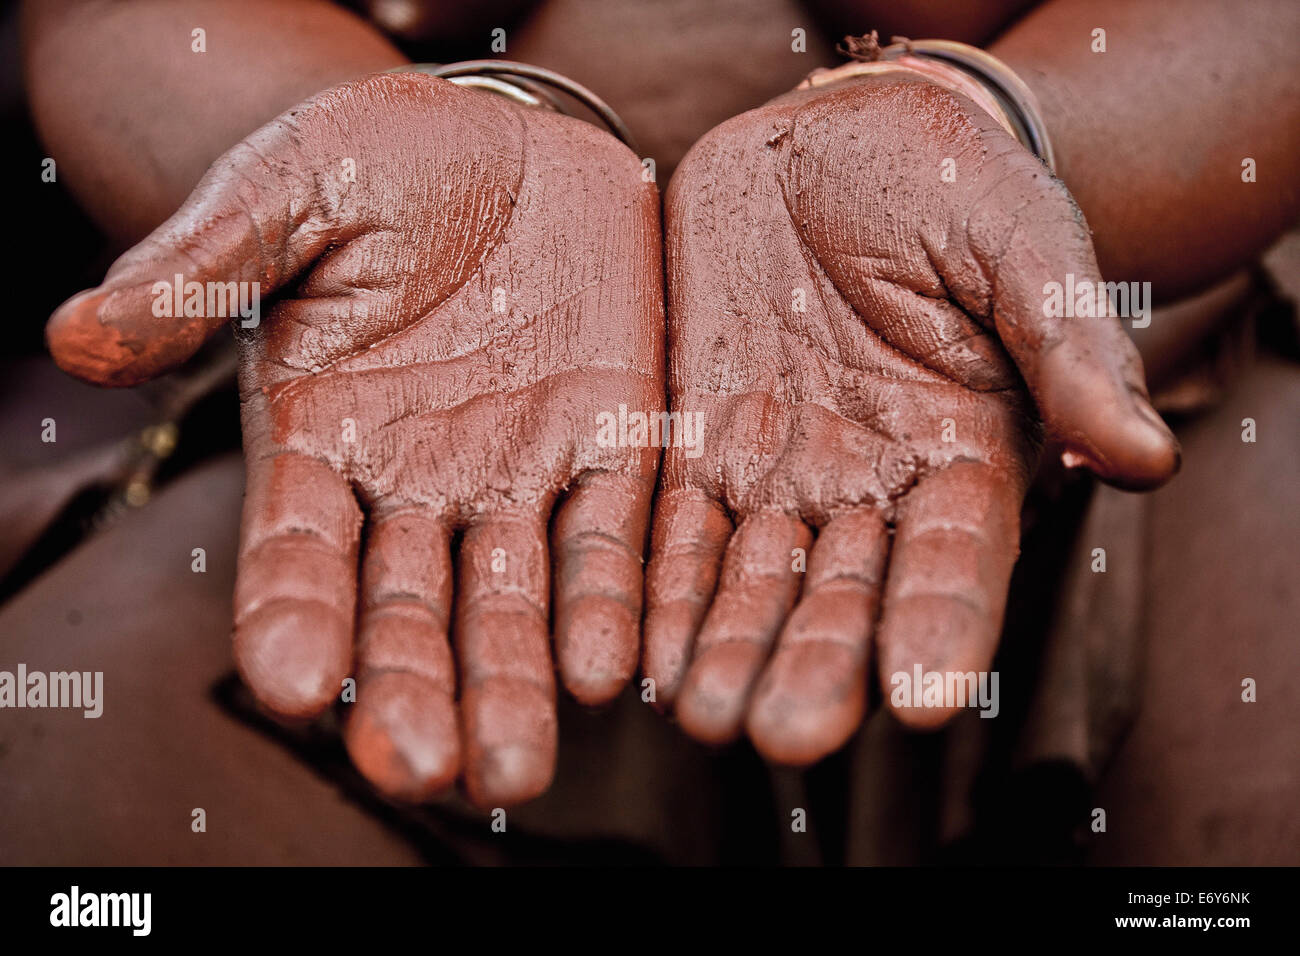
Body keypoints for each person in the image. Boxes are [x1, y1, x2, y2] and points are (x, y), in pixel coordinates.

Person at [1, 0, 1295, 864]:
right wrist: (404, 135)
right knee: (59, 777)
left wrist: (1000, 125)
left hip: (1137, 331)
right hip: (418, 404)